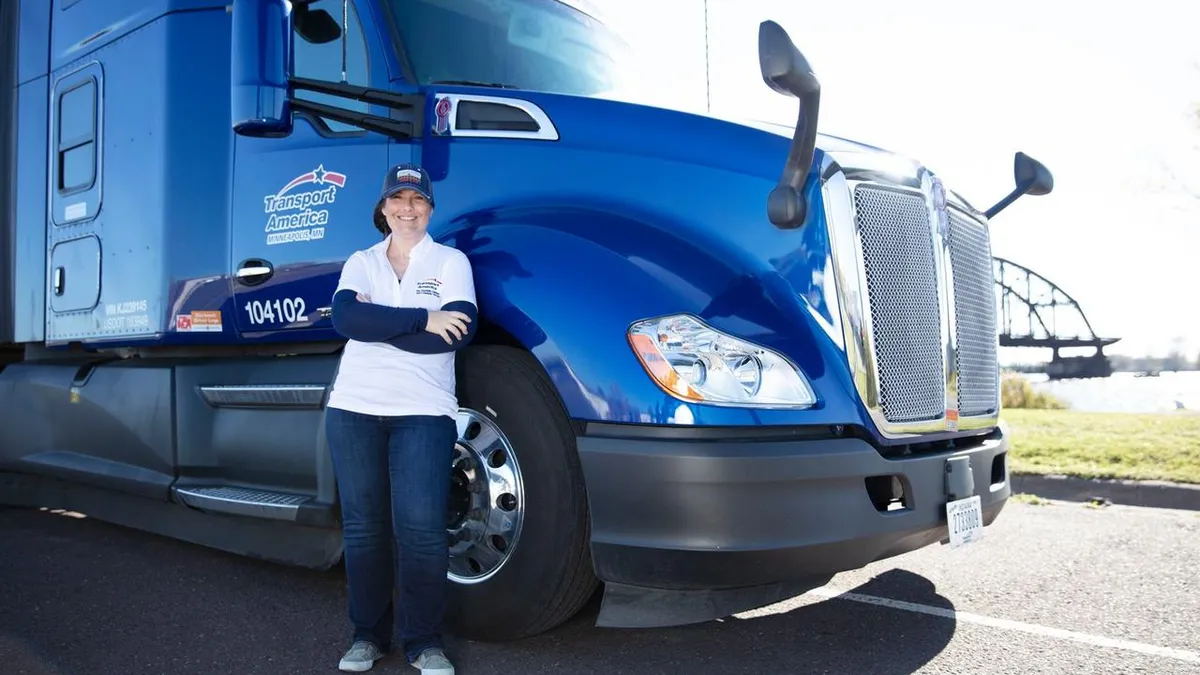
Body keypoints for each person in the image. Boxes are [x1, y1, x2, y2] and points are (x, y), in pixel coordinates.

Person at [323, 163, 477, 674]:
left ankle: (424, 642)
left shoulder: (450, 262)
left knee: (422, 532)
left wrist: (380, 322)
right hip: (354, 408)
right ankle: (367, 636)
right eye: (398, 200)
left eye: (417, 201)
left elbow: (456, 334)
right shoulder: (362, 261)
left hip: (423, 411)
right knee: (365, 531)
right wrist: (420, 317)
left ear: (430, 208)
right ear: (383, 209)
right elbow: (346, 319)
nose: (407, 209)